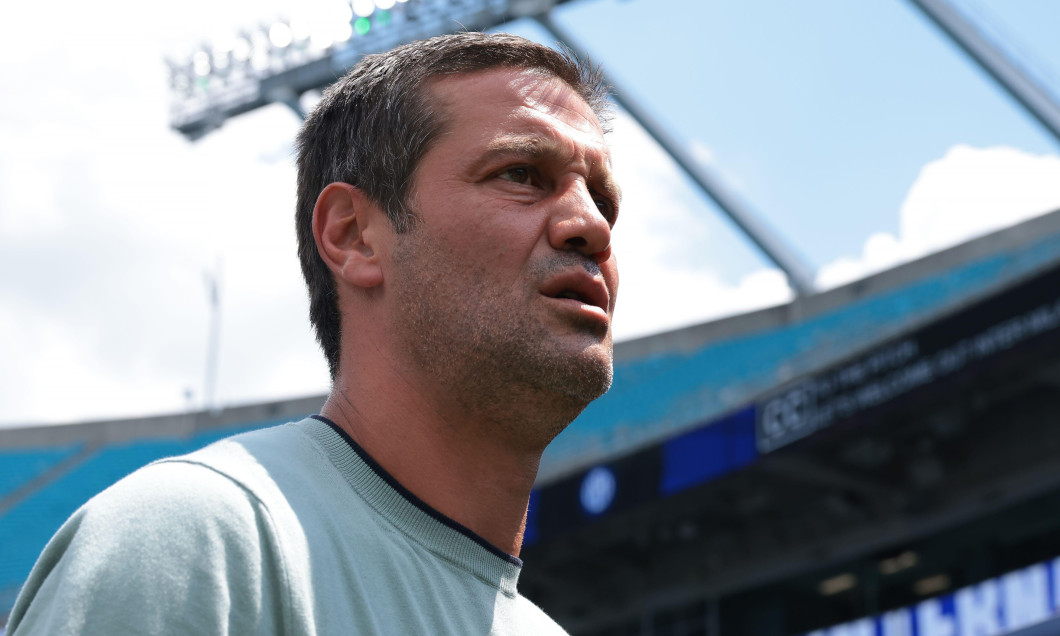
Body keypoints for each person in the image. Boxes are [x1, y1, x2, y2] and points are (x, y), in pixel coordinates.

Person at [8, 31, 620, 635]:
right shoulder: (198, 542)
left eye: (603, 201)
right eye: (521, 174)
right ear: (353, 235)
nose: (592, 226)